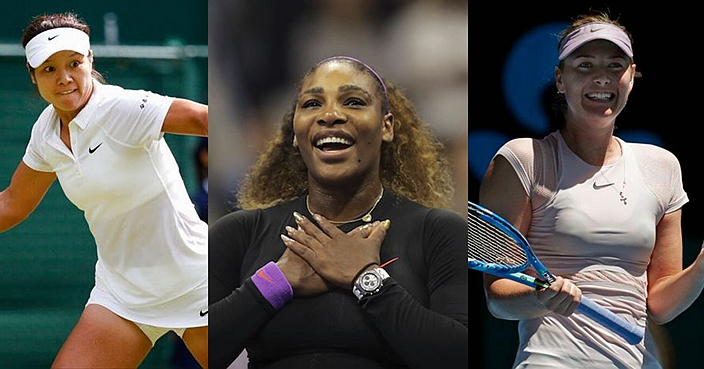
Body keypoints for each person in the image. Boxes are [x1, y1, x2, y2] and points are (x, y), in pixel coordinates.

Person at [209, 55, 468, 368]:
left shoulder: (438, 232)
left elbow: (458, 356)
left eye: (354, 102)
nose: (330, 115)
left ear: (386, 127)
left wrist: (366, 278)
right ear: (295, 131)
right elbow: (196, 353)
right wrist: (276, 282)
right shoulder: (240, 232)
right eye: (312, 104)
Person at [478, 11, 704, 368]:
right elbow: (498, 299)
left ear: (632, 76)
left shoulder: (663, 167)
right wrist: (543, 296)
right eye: (584, 65)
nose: (602, 77)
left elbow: (661, 305)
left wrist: (703, 266)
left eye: (616, 65)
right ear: (560, 79)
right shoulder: (523, 159)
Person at [2, 12, 208, 367]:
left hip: (193, 282)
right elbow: (13, 204)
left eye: (73, 63)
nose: (65, 78)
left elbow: (204, 119)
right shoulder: (46, 133)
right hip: (122, 294)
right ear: (33, 76)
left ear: (90, 61)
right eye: (49, 69)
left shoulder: (123, 108)